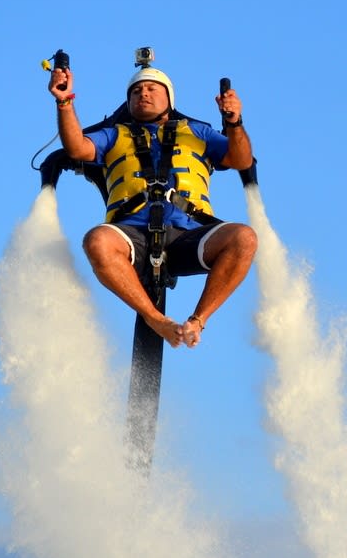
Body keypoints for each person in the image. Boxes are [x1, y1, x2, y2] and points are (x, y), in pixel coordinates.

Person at [48, 62, 257, 349]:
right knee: (97, 240)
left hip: (189, 234)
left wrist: (234, 123)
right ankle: (155, 319)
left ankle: (197, 321)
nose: (142, 94)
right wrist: (64, 102)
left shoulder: (199, 132)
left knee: (244, 237)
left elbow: (242, 160)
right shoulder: (114, 134)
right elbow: (76, 148)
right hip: (132, 234)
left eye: (151, 88)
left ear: (169, 99)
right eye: (135, 91)